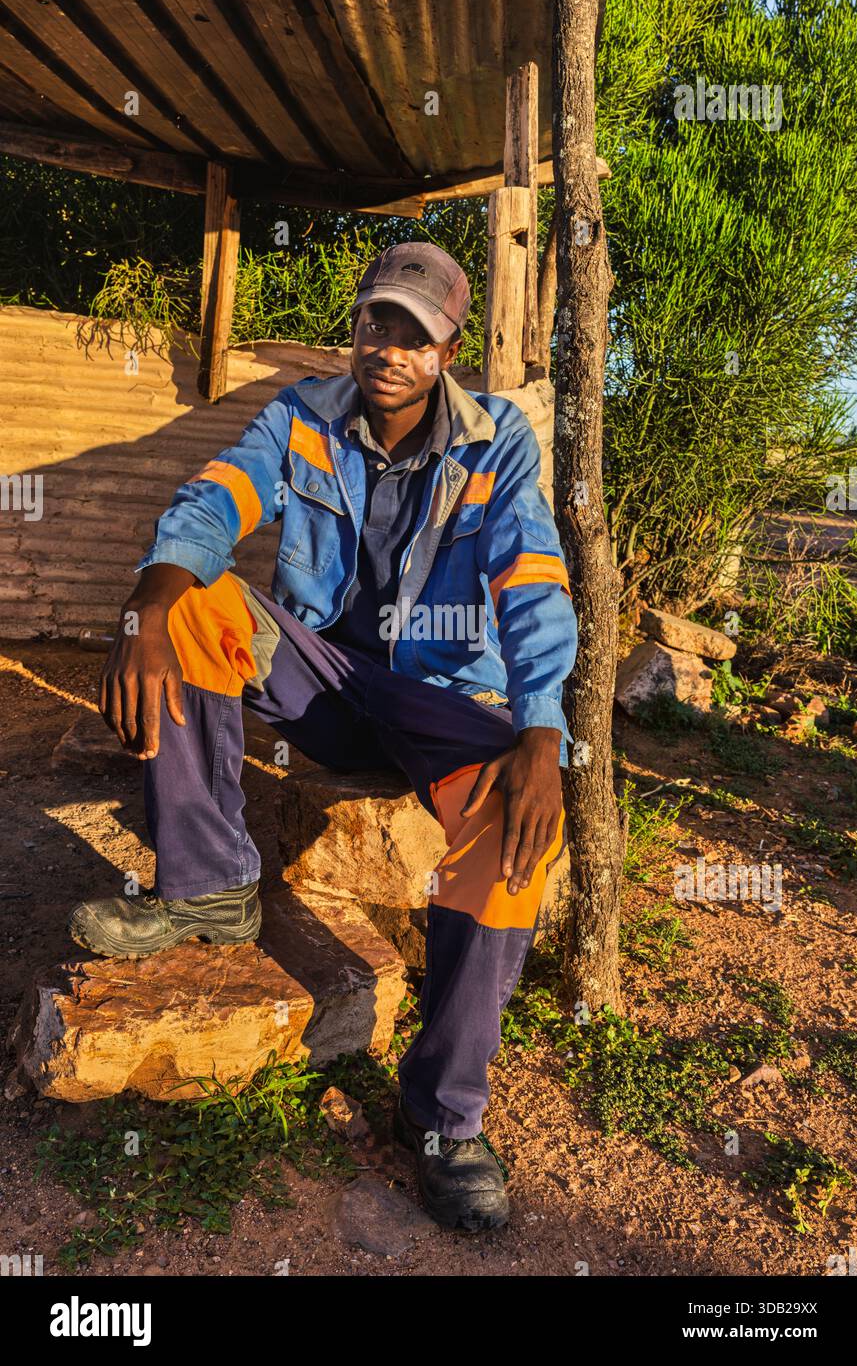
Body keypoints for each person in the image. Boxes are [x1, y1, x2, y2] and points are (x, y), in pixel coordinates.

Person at [70, 241, 578, 1232]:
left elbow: (531, 576)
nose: (390, 346)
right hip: (328, 682)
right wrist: (142, 608)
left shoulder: (496, 441)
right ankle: (211, 889)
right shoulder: (301, 416)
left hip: (444, 702)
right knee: (186, 607)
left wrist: (542, 727)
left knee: (517, 834)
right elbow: (215, 502)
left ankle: (440, 1114)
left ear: (449, 348)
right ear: (357, 326)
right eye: (377, 321)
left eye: (416, 331)